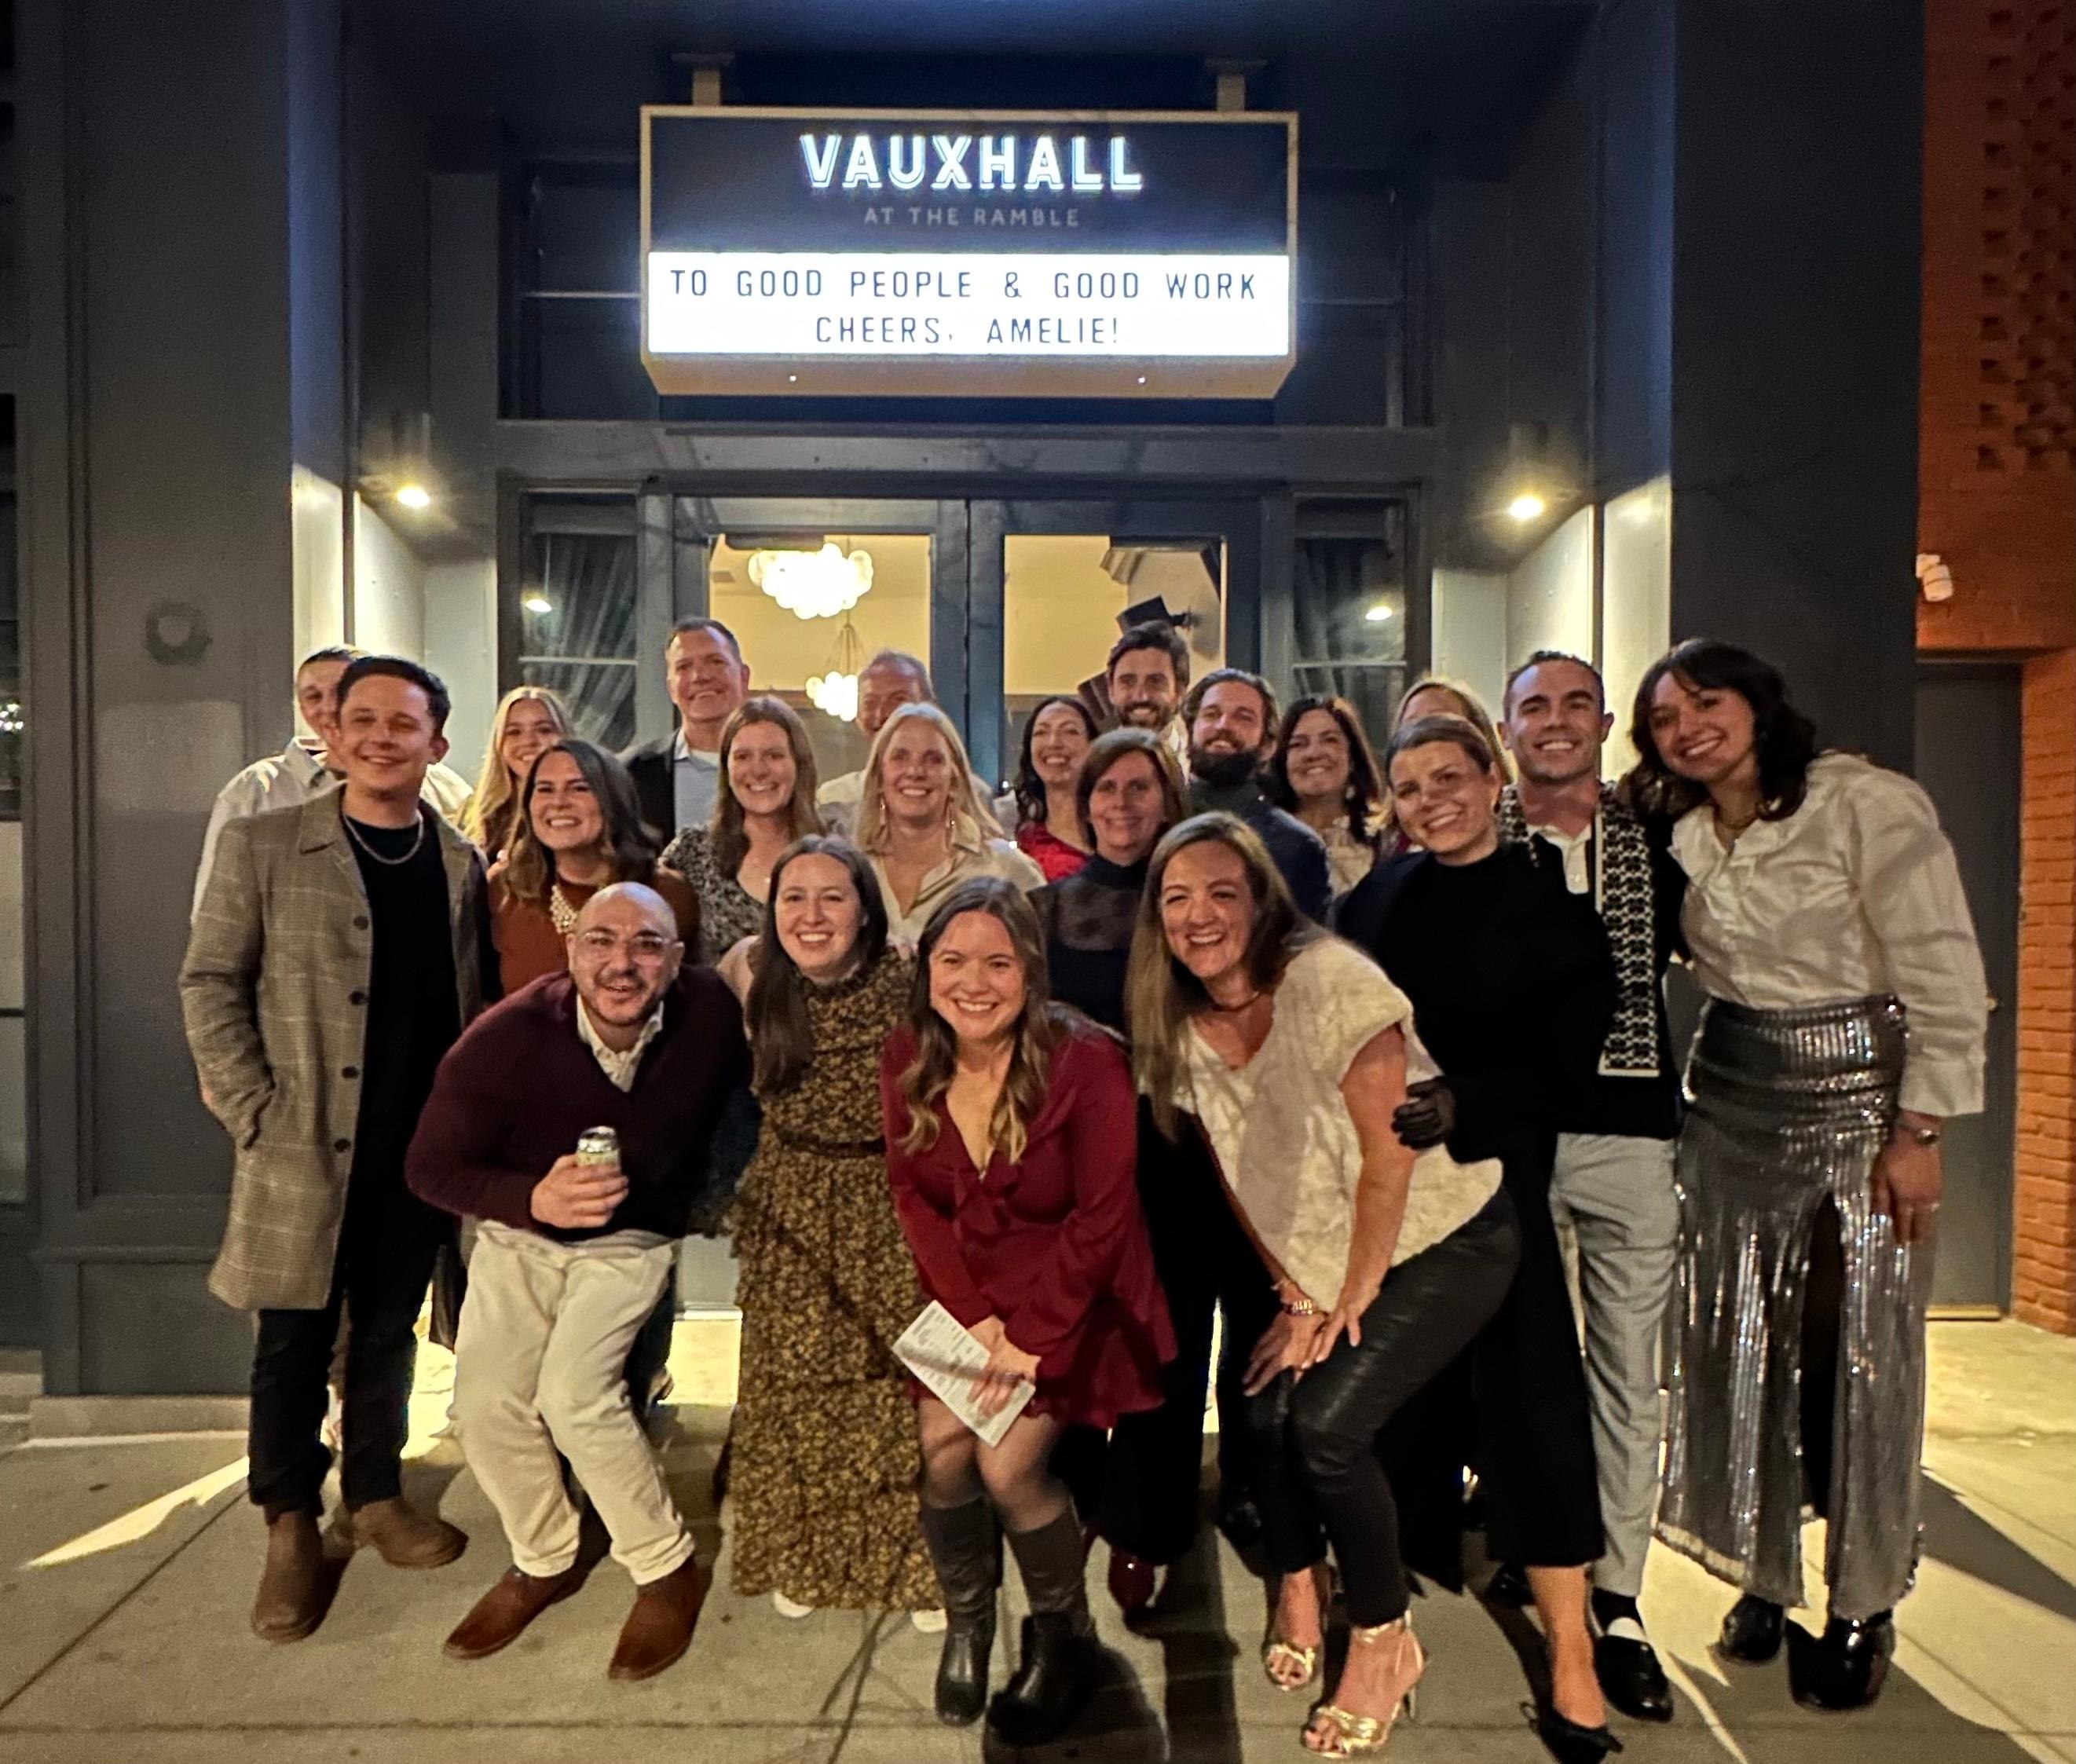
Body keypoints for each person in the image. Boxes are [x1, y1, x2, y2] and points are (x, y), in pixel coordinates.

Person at [1625, 639, 1988, 1712]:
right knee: (1740, 1340)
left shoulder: (1861, 802)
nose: (1686, 726)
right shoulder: (1678, 827)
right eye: (1661, 718)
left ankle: (1859, 1597)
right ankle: (1763, 1573)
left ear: (1755, 701)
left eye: (1704, 701)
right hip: (1729, 1096)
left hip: (1857, 1098)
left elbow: (1940, 966)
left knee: (1853, 1349)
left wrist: (1915, 1126)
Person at [1130, 814, 1519, 1758]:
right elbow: (1234, 1170)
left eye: (1224, 891)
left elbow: (1388, 1160)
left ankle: (1386, 1641)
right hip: (1321, 1254)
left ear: (1264, 899)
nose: (1200, 914)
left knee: (1328, 1425)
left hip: (1443, 1234)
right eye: (1178, 897)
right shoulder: (1176, 1019)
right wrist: (1292, 1288)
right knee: (1262, 1403)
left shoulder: (1332, 980)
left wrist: (1342, 1299)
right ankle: (1300, 1576)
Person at [181, 656, 489, 1645]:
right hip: (303, 1139)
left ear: (436, 745)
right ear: (333, 732)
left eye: (405, 725)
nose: (382, 737)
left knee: (391, 1327)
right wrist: (251, 1107)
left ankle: (376, 1491)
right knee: (291, 1338)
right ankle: (288, 1519)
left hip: (414, 1145)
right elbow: (210, 980)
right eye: (364, 719)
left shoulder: (455, 862)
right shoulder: (267, 842)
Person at [1337, 715, 1620, 1764]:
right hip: (1395, 1198)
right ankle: (1377, 1624)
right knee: (1379, 1411)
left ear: (1491, 779)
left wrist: (1466, 1100)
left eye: (1446, 777)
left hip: (1499, 1190)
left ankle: (1568, 1653)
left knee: (1536, 1415)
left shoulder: (1555, 912)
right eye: (1407, 786)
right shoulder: (1372, 902)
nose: (1428, 799)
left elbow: (1573, 1062)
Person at [406, 883, 746, 1681]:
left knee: (575, 1393)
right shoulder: (508, 1036)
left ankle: (665, 1566)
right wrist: (532, 1196)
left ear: (674, 956)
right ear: (571, 949)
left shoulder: (709, 1014)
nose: (621, 962)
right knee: (485, 1401)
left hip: (629, 1234)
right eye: (602, 941)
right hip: (523, 1231)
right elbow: (427, 1166)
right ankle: (546, 1551)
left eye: (646, 943)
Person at [880, 878, 1174, 1744]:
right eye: (954, 959)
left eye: (998, 962)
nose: (975, 981)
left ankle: (1065, 1635)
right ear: (927, 968)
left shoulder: (1087, 1062)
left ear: (1032, 971)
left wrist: (1031, 1335)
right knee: (941, 1450)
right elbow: (913, 1195)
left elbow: (1102, 1218)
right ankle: (970, 1617)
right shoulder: (907, 1054)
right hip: (968, 1300)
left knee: (1008, 1469)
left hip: (1074, 1299)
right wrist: (974, 1318)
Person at [1496, 650, 1688, 1722]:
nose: (1555, 722)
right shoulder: (1479, 841)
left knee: (1625, 1368)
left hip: (1628, 1132)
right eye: (1535, 706)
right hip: (1516, 1138)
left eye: (1574, 703)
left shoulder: (1659, 840)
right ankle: (1540, 1554)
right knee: (1529, 1366)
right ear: (1505, 724)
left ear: (1606, 721)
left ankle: (1617, 1597)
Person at [1030, 730, 1232, 1616]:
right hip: (1077, 1151)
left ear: (1168, 797)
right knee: (1078, 1328)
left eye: (1140, 787)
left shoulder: (1201, 901)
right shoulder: (1046, 906)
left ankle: (1145, 1525)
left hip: (1180, 1147)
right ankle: (1075, 1491)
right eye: (1104, 787)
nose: (1121, 803)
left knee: (1171, 1336)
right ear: (1081, 801)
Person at [727, 836, 939, 1622]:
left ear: (864, 907)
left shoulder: (910, 976)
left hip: (889, 1193)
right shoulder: (751, 977)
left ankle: (916, 1561)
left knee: (898, 1386)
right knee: (800, 1389)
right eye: (794, 897)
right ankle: (812, 1552)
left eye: (832, 896)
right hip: (793, 1196)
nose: (811, 915)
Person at [192, 645, 473, 915]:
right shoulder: (256, 790)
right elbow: (217, 919)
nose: (327, 708)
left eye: (339, 693)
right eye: (313, 697)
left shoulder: (444, 788)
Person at [485, 738, 700, 996]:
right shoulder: (503, 889)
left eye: (578, 788)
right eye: (545, 789)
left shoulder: (667, 893)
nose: (559, 802)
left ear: (613, 798)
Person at [852, 702, 1043, 940]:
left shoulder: (1005, 869)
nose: (915, 771)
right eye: (900, 757)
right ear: (879, 777)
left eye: (933, 759)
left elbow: (1039, 966)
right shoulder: (853, 872)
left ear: (954, 781)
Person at [661, 697, 824, 971]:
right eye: (743, 757)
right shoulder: (692, 852)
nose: (758, 770)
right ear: (726, 768)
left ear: (799, 764)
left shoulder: (834, 852)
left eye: (774, 756)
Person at [1180, 668, 1332, 922]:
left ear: (1268, 746)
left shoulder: (1296, 847)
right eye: (1211, 714)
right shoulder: (1151, 824)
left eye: (1244, 717)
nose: (1223, 725)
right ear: (1191, 728)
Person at [624, 617, 752, 836]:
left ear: (743, 677)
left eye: (715, 661)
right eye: (684, 666)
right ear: (671, 688)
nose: (700, 676)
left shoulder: (777, 768)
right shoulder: (631, 773)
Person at [1269, 694, 1389, 898]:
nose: (1313, 753)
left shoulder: (1386, 843)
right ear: (1283, 761)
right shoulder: (1261, 841)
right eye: (1298, 744)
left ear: (1352, 757)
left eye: (1329, 740)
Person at [817, 650, 935, 831]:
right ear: (857, 717)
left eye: (898, 700)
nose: (882, 715)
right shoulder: (834, 799)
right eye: (870, 703)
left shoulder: (965, 796)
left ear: (929, 709)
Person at [463, 686, 574, 858]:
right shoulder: (475, 812)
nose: (529, 741)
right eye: (514, 732)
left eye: (544, 730)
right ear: (499, 744)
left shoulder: (586, 805)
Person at [1001, 695, 1098, 883]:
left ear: (1093, 745)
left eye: (1070, 731)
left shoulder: (1115, 833)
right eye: (1041, 733)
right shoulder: (1015, 839)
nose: (1054, 743)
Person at [1105, 620, 1192, 767]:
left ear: (1180, 691)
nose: (1141, 696)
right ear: (1111, 690)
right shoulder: (1093, 770)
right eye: (1128, 682)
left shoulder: (1197, 768)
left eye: (1156, 682)